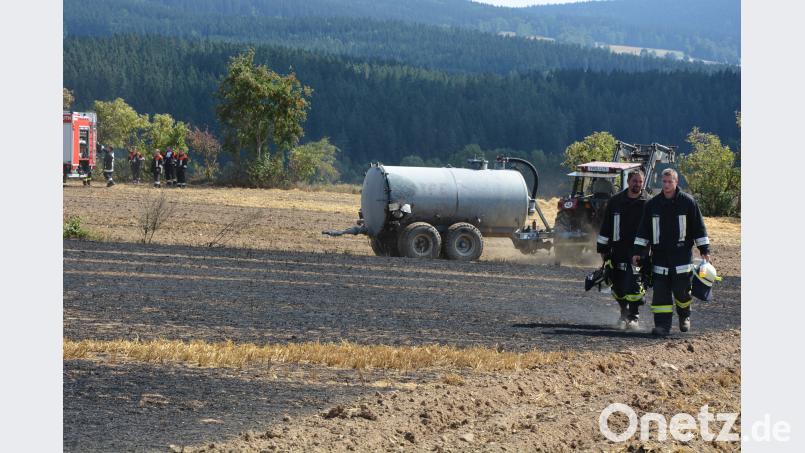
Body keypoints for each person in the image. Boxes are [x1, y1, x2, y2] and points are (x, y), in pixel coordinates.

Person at [632, 168, 711, 336]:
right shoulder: (652, 205)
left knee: (682, 293)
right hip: (660, 258)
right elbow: (643, 230)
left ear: (676, 183)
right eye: (664, 181)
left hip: (682, 258)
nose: (666, 185)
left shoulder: (688, 202)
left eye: (670, 182)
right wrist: (638, 251)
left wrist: (704, 250)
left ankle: (684, 316)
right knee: (660, 295)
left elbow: (698, 227)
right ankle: (662, 326)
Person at [597, 169, 649, 330]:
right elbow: (606, 225)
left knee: (634, 282)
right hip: (617, 250)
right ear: (628, 182)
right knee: (618, 285)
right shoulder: (615, 201)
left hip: (638, 253)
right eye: (635, 181)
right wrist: (602, 248)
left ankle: (633, 317)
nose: (638, 184)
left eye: (640, 182)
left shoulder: (648, 203)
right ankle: (623, 313)